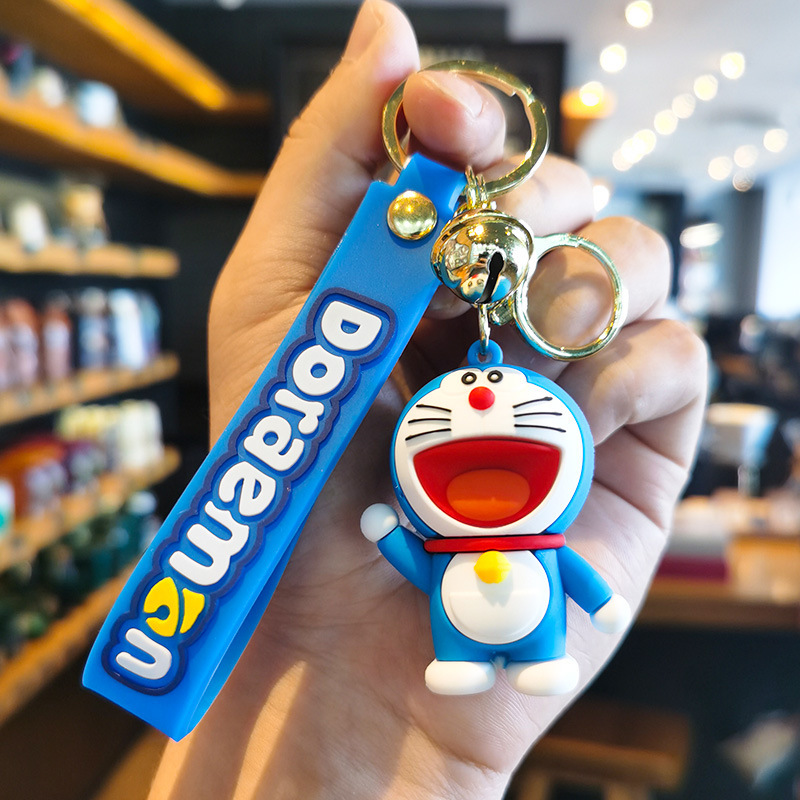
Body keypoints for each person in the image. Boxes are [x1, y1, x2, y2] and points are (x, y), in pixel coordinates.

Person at [148, 1, 708, 797]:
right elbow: (415, 558)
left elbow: (573, 578)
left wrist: (603, 608)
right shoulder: (437, 524)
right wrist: (372, 542)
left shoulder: (547, 538)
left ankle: (527, 661)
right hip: (409, 634)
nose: (476, 411)